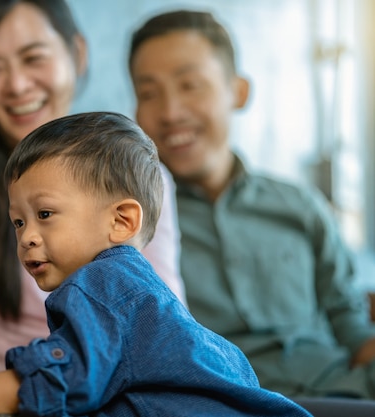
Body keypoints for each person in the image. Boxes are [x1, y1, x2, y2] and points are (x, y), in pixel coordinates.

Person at [0, 111, 310, 416]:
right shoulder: (131, 292)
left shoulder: (108, 285)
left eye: (45, 213)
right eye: (18, 222)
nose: (27, 236)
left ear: (122, 221)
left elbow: (55, 383)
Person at [0, 0, 185, 378]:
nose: (16, 85)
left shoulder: (139, 177)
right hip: (18, 391)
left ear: (76, 54)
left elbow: (160, 318)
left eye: (33, 58)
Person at [128, 9, 375, 399]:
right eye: (148, 94)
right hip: (228, 402)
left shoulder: (299, 204)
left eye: (190, 85)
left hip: (345, 390)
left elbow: (349, 318)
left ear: (238, 91)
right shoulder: (134, 228)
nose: (171, 112)